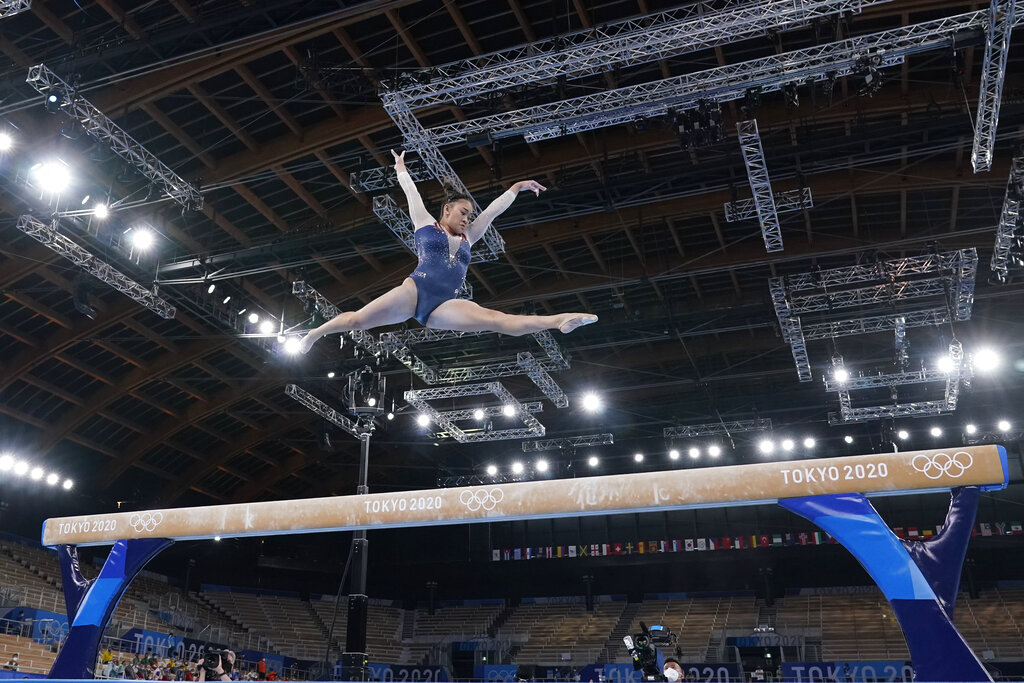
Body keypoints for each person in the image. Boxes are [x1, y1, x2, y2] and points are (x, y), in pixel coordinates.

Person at [300, 150, 597, 353]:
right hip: (415, 290)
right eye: (464, 213)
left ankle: (560, 320)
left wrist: (517, 187)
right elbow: (412, 194)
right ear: (447, 210)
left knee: (497, 320)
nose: (468, 219)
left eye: (470, 215)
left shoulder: (470, 236)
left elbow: (492, 212)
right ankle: (314, 333)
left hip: (444, 305)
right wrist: (401, 168)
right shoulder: (426, 225)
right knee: (356, 321)